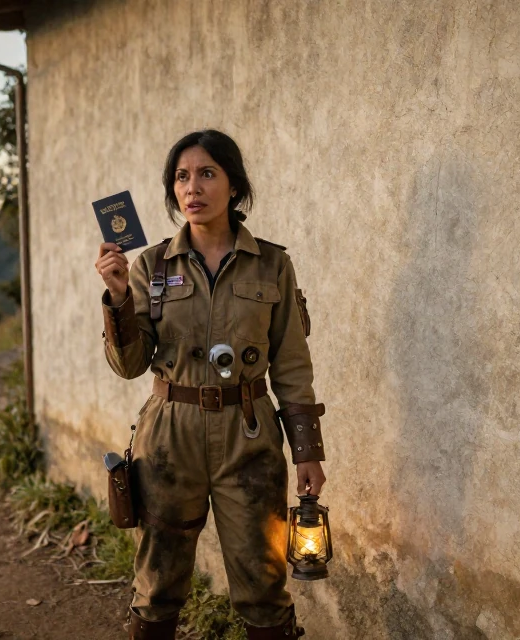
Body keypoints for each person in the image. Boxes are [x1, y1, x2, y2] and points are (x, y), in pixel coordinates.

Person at [95, 130, 328, 639]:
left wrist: (307, 451)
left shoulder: (272, 264)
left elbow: (291, 362)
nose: (192, 187)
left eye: (206, 173)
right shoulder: (151, 266)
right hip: (169, 438)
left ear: (234, 185)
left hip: (248, 436)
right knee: (157, 586)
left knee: (264, 585)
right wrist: (117, 299)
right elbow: (129, 365)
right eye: (181, 177)